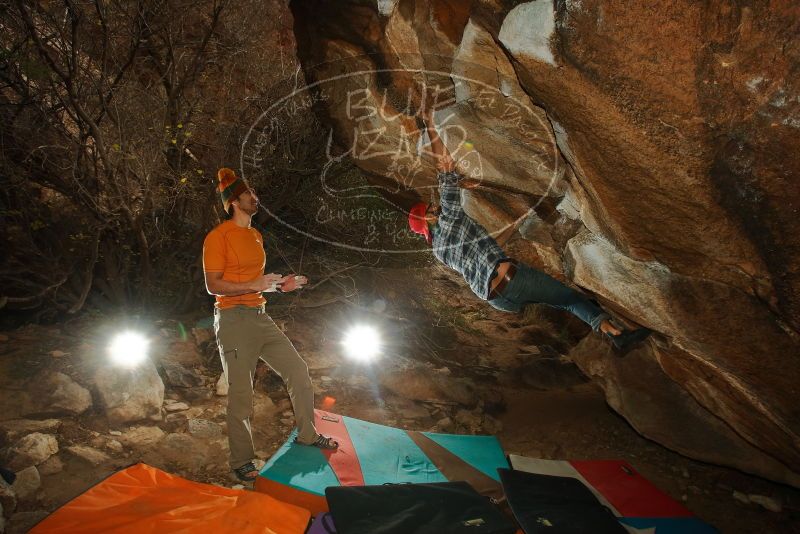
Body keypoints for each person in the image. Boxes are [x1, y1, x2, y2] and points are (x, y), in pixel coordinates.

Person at [408, 109, 651, 350]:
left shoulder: (439, 250)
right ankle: (615, 333)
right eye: (431, 207)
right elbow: (444, 165)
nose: (435, 206)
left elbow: (488, 248)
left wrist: (514, 226)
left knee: (564, 302)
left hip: (499, 300)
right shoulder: (448, 217)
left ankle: (613, 331)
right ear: (428, 217)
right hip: (512, 281)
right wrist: (430, 124)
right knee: (571, 299)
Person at [203, 167, 338, 483]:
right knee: (241, 394)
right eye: (249, 194)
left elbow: (256, 282)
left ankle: (306, 433)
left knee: (298, 370)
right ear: (234, 201)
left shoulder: (255, 235)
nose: (255, 197)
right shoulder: (217, 237)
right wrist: (256, 284)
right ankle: (241, 461)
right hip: (233, 321)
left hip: (260, 318)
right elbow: (213, 285)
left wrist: (280, 286)